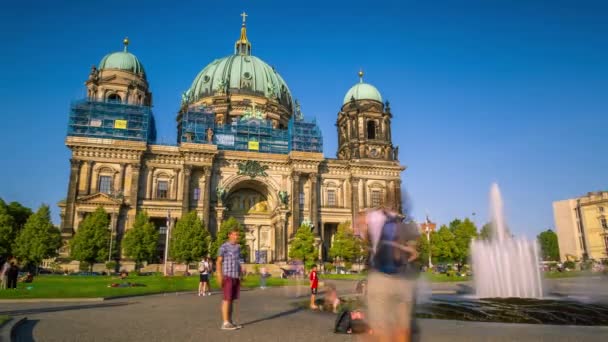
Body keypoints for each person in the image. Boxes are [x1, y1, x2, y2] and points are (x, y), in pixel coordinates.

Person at [358, 205, 419, 342]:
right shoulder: (405, 226)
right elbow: (414, 253)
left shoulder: (372, 219)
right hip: (403, 281)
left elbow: (363, 233)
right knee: (402, 328)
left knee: (381, 329)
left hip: (381, 280)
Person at [216, 227, 243, 331]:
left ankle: (230, 321)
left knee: (231, 300)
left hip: (235, 276)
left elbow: (238, 262)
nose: (237, 237)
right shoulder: (224, 247)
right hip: (227, 275)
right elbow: (218, 262)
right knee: (226, 299)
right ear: (230, 235)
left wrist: (241, 274)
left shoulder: (238, 247)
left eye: (238, 235)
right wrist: (219, 275)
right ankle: (225, 323)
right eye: (235, 234)